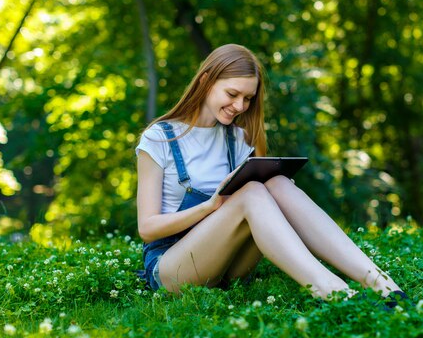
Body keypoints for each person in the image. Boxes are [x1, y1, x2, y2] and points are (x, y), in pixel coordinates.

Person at [136, 43, 407, 303]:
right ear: (206, 81)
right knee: (252, 192)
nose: (240, 106)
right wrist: (209, 207)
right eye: (232, 94)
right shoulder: (160, 139)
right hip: (173, 267)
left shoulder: (238, 139)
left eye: (248, 99)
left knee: (276, 183)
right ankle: (332, 291)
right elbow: (147, 229)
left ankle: (382, 284)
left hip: (228, 266)